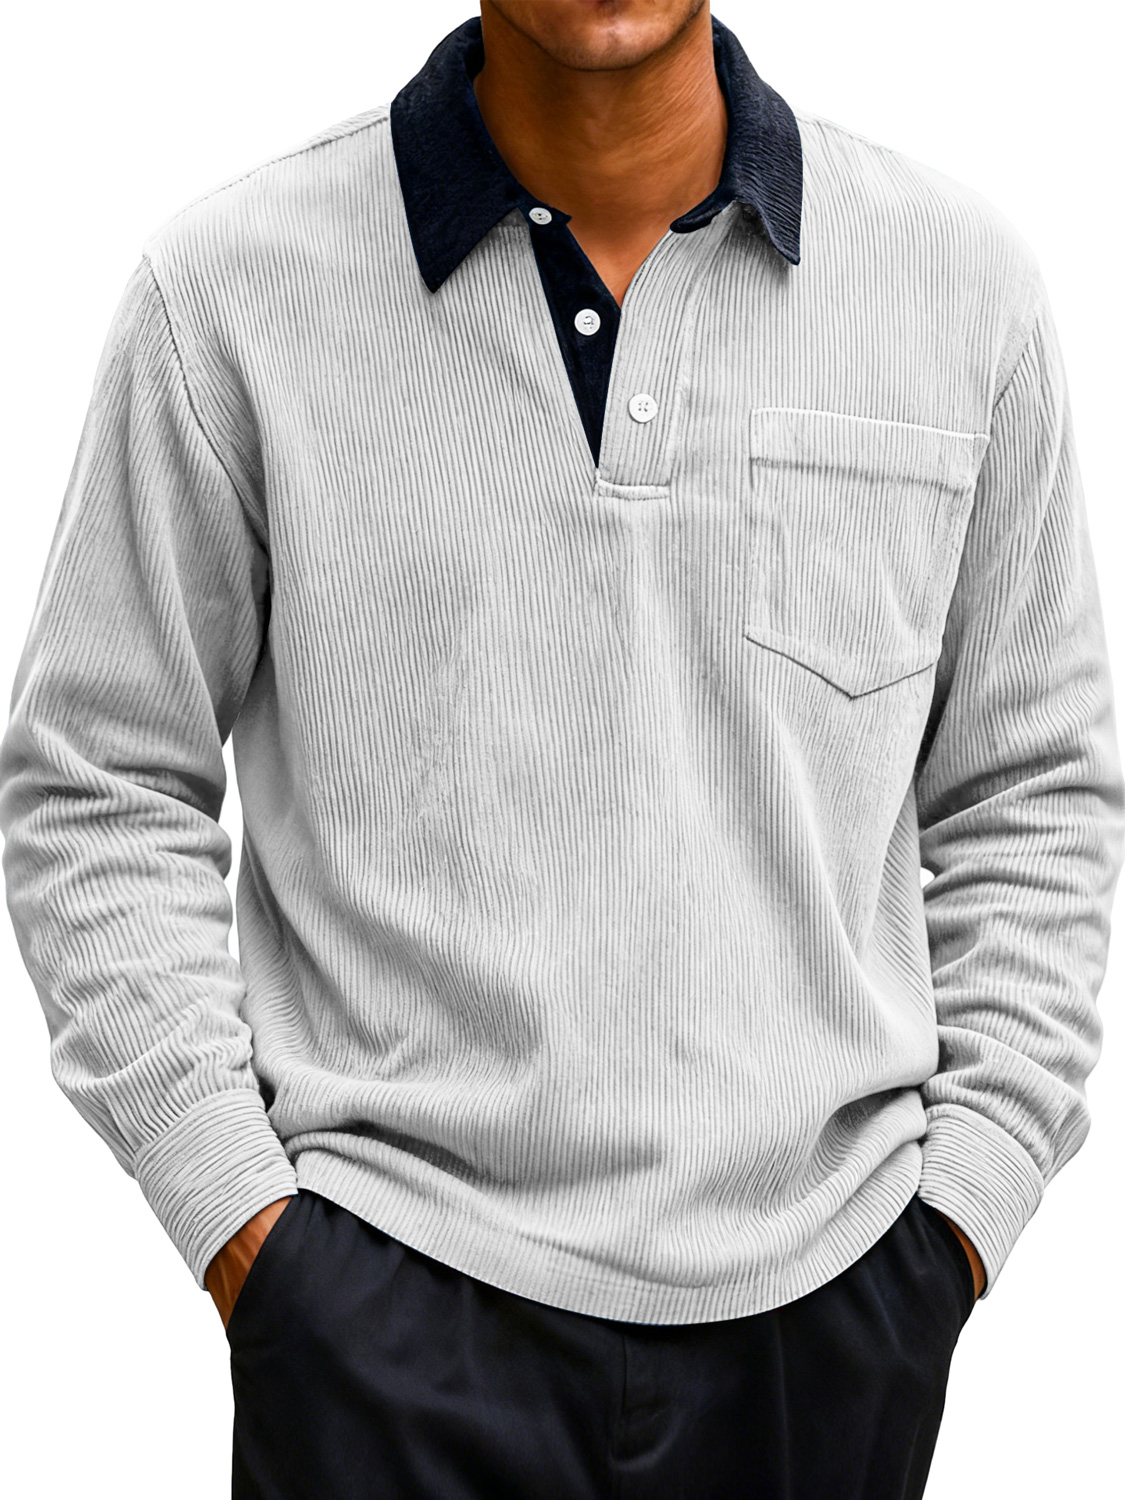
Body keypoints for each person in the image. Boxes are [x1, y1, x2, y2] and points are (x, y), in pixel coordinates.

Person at [1, 2, 1121, 1496]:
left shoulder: (956, 286)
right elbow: (96, 775)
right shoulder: (226, 291)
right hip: (383, 1303)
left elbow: (1031, 787)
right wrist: (241, 1225)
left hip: (826, 1313)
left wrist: (956, 1218)